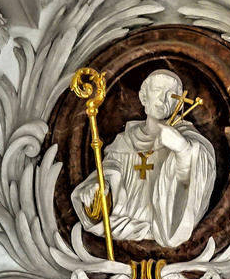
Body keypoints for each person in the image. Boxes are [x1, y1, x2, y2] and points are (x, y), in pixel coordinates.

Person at [69, 70, 217, 247]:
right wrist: (98, 189)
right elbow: (108, 173)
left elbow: (194, 181)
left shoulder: (188, 139)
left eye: (170, 95)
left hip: (162, 226)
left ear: (178, 103)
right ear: (144, 97)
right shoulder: (124, 139)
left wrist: (182, 149)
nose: (162, 99)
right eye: (157, 91)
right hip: (121, 224)